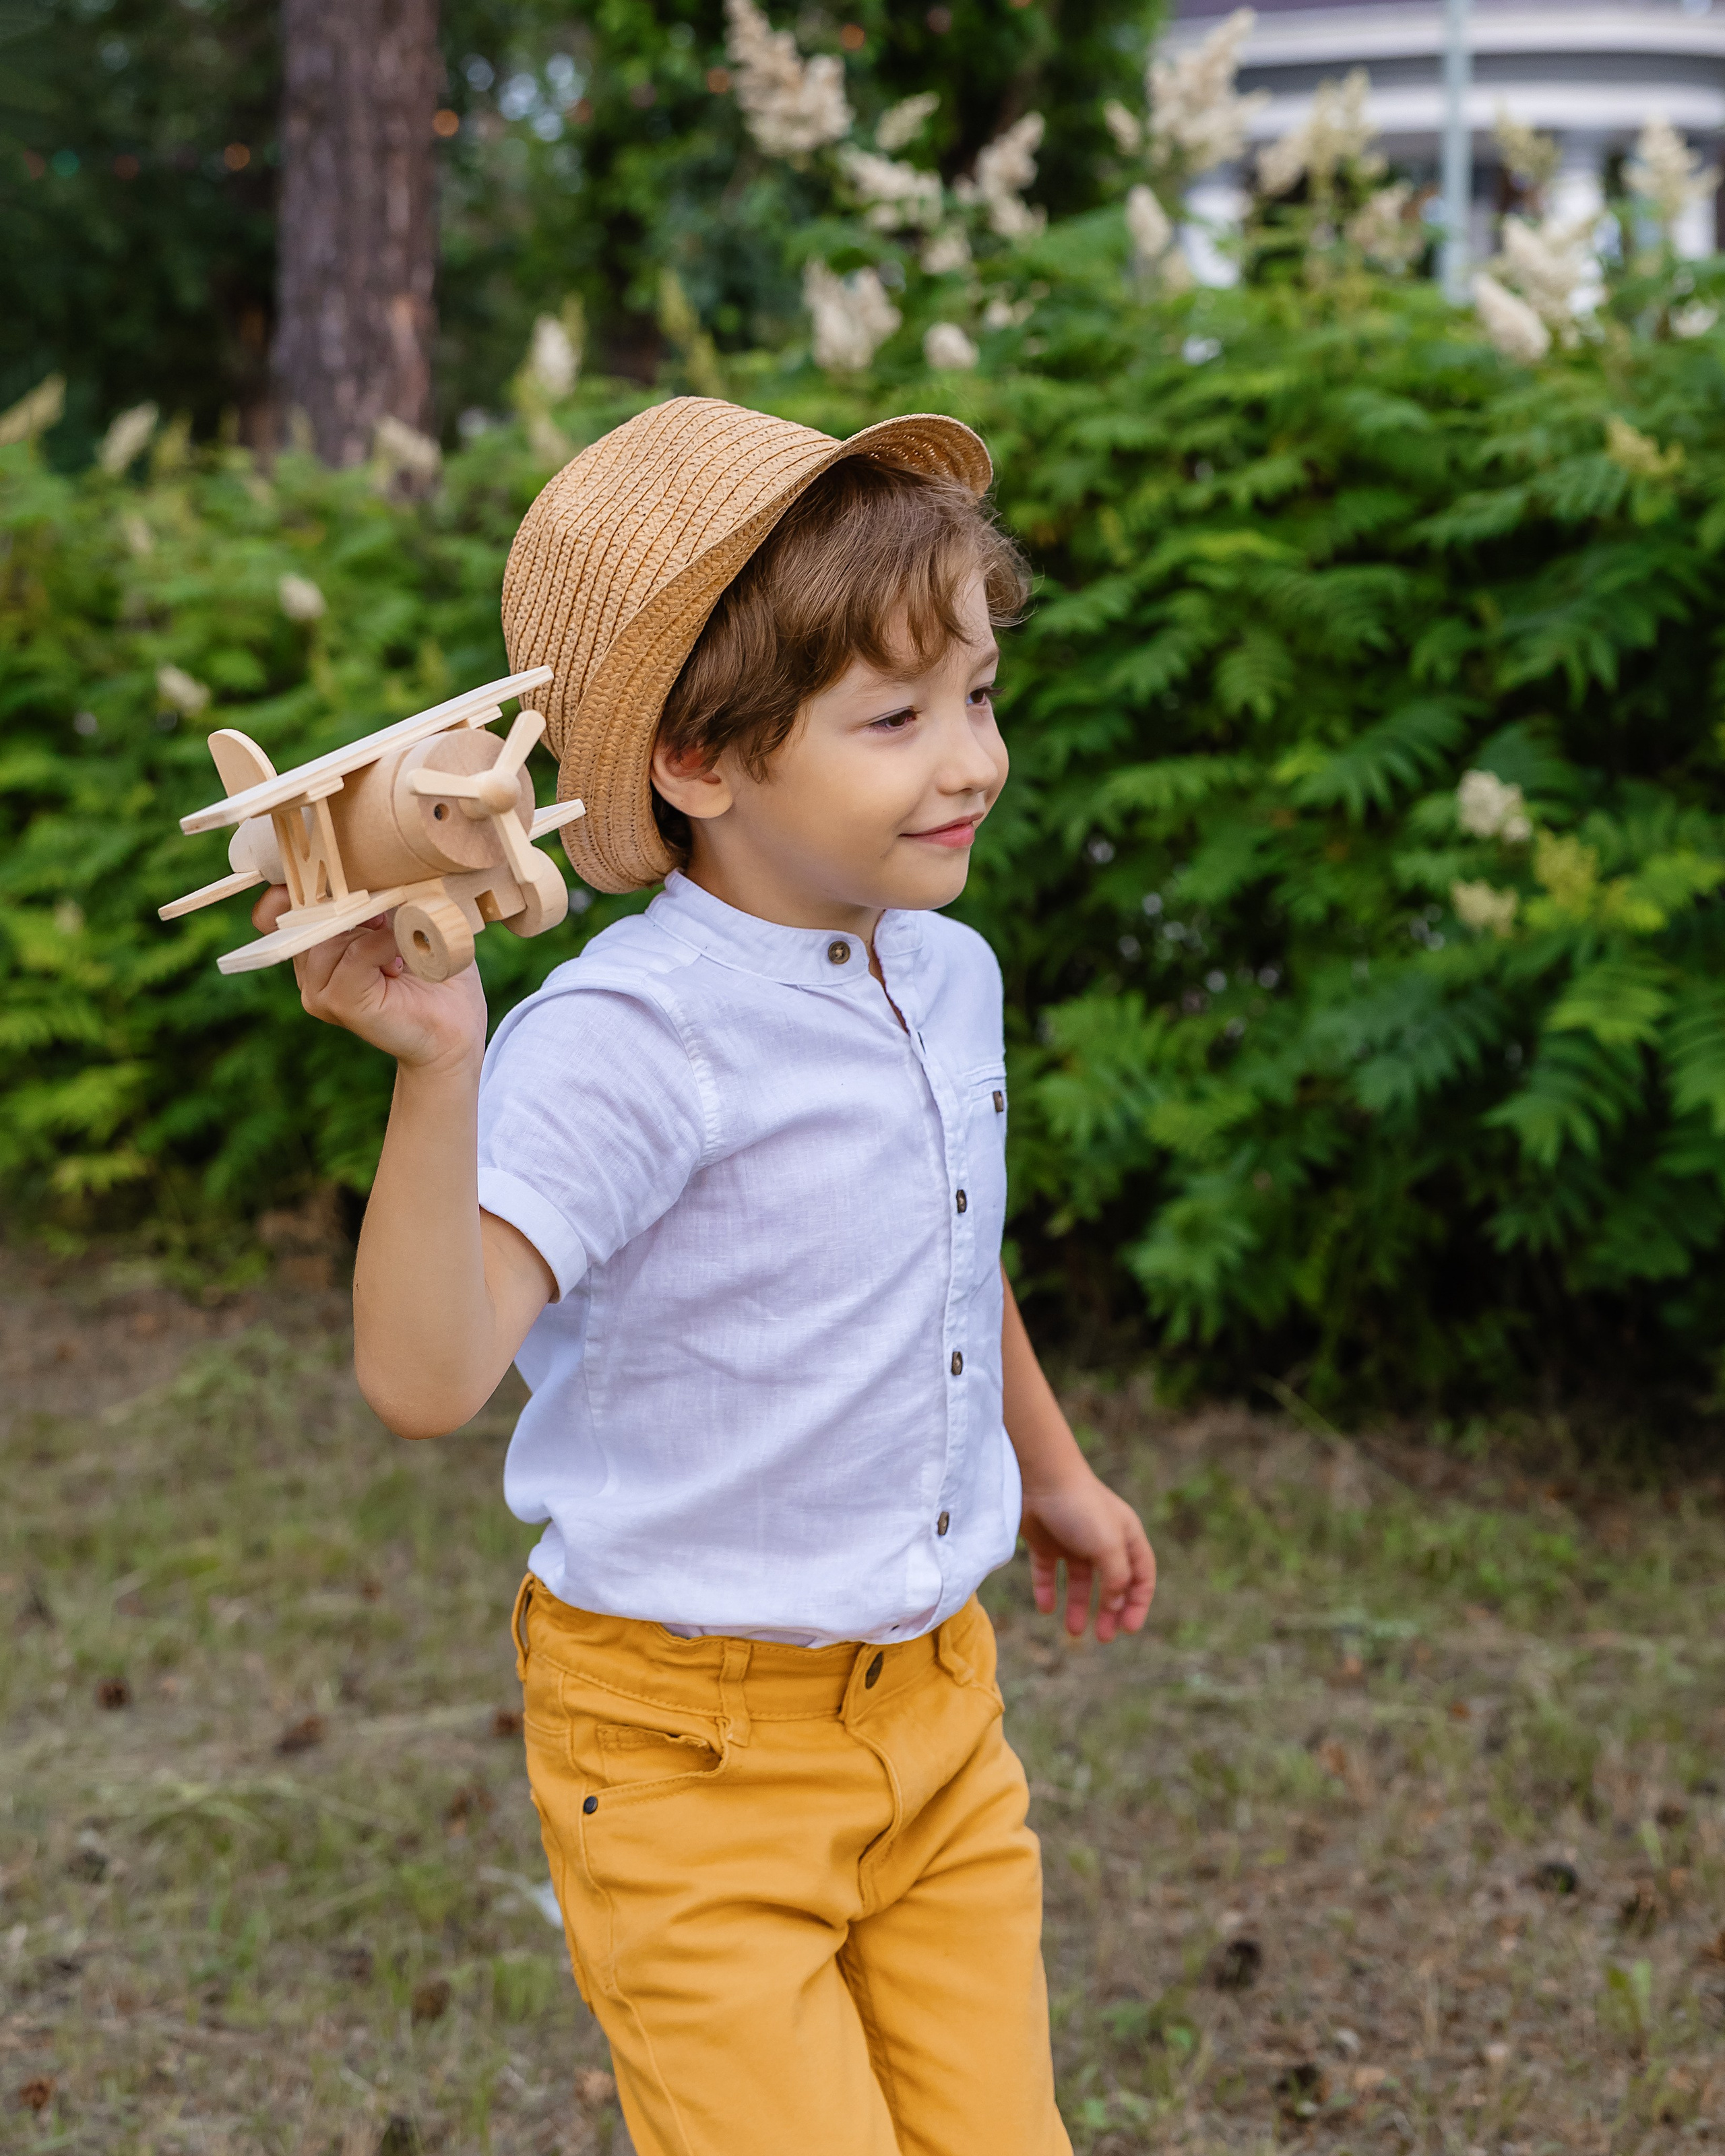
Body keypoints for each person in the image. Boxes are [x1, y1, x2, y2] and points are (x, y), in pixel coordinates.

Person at [258, 398, 1156, 2156]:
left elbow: (946, 1244)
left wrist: (1046, 1470)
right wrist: (444, 1068)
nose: (967, 759)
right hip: (690, 1754)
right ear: (701, 760)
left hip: (940, 1716)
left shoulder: (947, 971)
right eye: (894, 718)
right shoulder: (628, 1038)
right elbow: (428, 1379)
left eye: (975, 695)